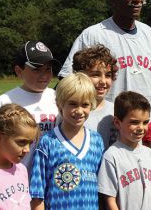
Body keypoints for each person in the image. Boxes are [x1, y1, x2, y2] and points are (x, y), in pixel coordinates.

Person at [58, 0, 151, 120]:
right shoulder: (93, 35)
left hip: (144, 130)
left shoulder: (149, 34)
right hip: (104, 127)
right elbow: (66, 82)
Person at [30, 73, 104, 210]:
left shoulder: (97, 141)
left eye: (85, 105)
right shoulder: (47, 142)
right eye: (73, 104)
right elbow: (37, 195)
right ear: (60, 104)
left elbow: (102, 190)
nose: (79, 111)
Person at [0, 40, 60, 168]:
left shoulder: (58, 97)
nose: (44, 75)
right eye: (37, 69)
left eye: (48, 69)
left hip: (49, 178)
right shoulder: (5, 101)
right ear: (18, 71)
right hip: (15, 178)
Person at [97, 91, 151, 210]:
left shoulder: (150, 153)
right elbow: (109, 199)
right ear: (117, 122)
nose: (141, 128)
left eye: (145, 122)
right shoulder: (112, 156)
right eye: (134, 122)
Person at [72, 44, 118, 148]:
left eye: (108, 75)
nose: (103, 81)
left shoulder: (116, 111)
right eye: (95, 75)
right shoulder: (71, 112)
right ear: (80, 76)